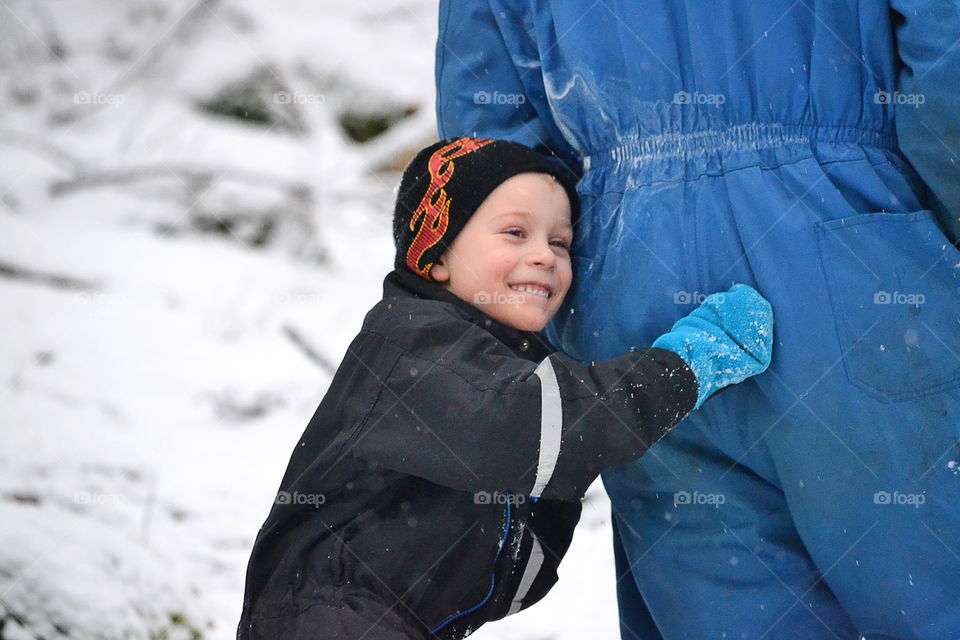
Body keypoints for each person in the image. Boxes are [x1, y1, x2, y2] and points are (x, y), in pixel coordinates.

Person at [435, 2, 960, 638]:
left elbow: (488, 136)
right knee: (930, 594)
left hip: (628, 287)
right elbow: (946, 49)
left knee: (730, 607)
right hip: (857, 248)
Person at [235, 137, 774, 640]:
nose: (544, 255)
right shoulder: (413, 345)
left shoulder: (496, 359)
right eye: (516, 233)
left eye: (560, 242)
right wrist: (688, 364)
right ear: (437, 256)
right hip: (329, 615)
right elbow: (538, 431)